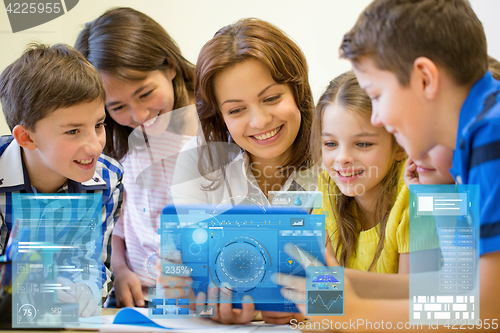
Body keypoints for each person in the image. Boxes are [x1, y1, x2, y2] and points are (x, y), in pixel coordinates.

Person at [277, 0, 500, 330]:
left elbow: (487, 311)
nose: (378, 116)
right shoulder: (476, 132)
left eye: (378, 95)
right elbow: (454, 288)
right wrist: (336, 287)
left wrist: (353, 314)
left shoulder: (490, 132)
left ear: (425, 78)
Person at [171, 18, 318, 324]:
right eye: (236, 110)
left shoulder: (338, 159)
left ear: (298, 91)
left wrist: (307, 306)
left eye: (272, 98)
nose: (260, 121)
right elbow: (182, 274)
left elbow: (358, 274)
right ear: (219, 117)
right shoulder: (196, 162)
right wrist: (206, 303)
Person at [75, 7, 198, 308]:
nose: (139, 116)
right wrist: (119, 268)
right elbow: (116, 217)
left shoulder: (214, 126)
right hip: (135, 298)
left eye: (145, 94)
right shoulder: (114, 139)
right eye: (117, 107)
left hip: (201, 298)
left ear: (170, 66)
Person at [0, 43, 123, 317]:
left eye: (99, 125)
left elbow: (96, 264)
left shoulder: (108, 178)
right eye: (73, 131)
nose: (94, 146)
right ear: (27, 138)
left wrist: (86, 292)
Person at [312, 71, 408, 274]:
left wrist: (337, 287)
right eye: (330, 143)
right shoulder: (328, 187)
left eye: (363, 143)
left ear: (400, 146)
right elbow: (324, 290)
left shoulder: (415, 194)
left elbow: (411, 297)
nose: (342, 158)